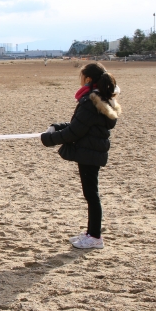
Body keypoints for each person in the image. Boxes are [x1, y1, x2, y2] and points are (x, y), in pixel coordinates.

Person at [40, 62, 121, 249]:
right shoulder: (99, 99)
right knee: (91, 194)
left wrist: (48, 139)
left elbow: (74, 132)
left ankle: (95, 236)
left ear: (89, 79)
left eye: (82, 76)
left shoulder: (90, 102)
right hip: (92, 151)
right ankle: (91, 232)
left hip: (89, 152)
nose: (80, 80)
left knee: (91, 194)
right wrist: (57, 127)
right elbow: (79, 125)